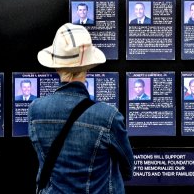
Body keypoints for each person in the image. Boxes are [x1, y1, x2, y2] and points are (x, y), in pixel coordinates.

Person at [28, 23, 133, 193]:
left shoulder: (36, 110)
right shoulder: (109, 116)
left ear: (56, 65)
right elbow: (128, 168)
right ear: (89, 67)